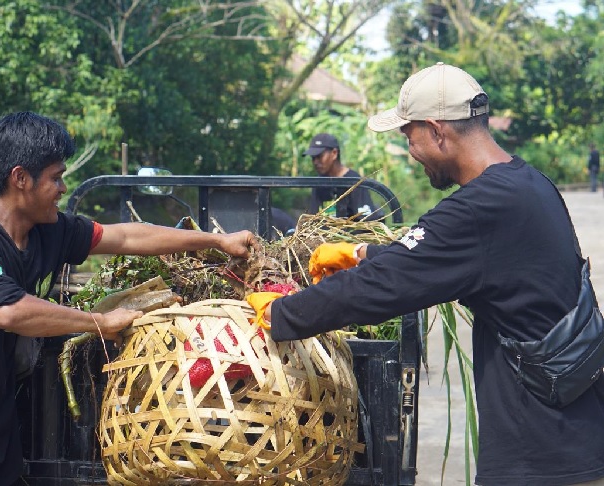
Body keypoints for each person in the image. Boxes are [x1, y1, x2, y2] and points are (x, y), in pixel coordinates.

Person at [248, 63, 604, 485]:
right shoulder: (527, 183)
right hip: (577, 429)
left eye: (408, 135)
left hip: (540, 454)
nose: (410, 149)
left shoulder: (477, 209)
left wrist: (282, 313)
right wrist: (362, 251)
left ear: (437, 131)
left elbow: (380, 288)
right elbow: (442, 260)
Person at [0, 111, 258, 486]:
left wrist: (217, 241)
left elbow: (129, 238)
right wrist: (98, 322)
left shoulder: (48, 231)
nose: (64, 188)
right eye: (56, 177)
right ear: (20, 178)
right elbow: (8, 310)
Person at [303, 133, 383, 220]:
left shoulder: (354, 182)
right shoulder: (319, 183)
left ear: (334, 153)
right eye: (313, 158)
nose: (315, 162)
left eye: (319, 156)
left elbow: (367, 221)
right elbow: (313, 216)